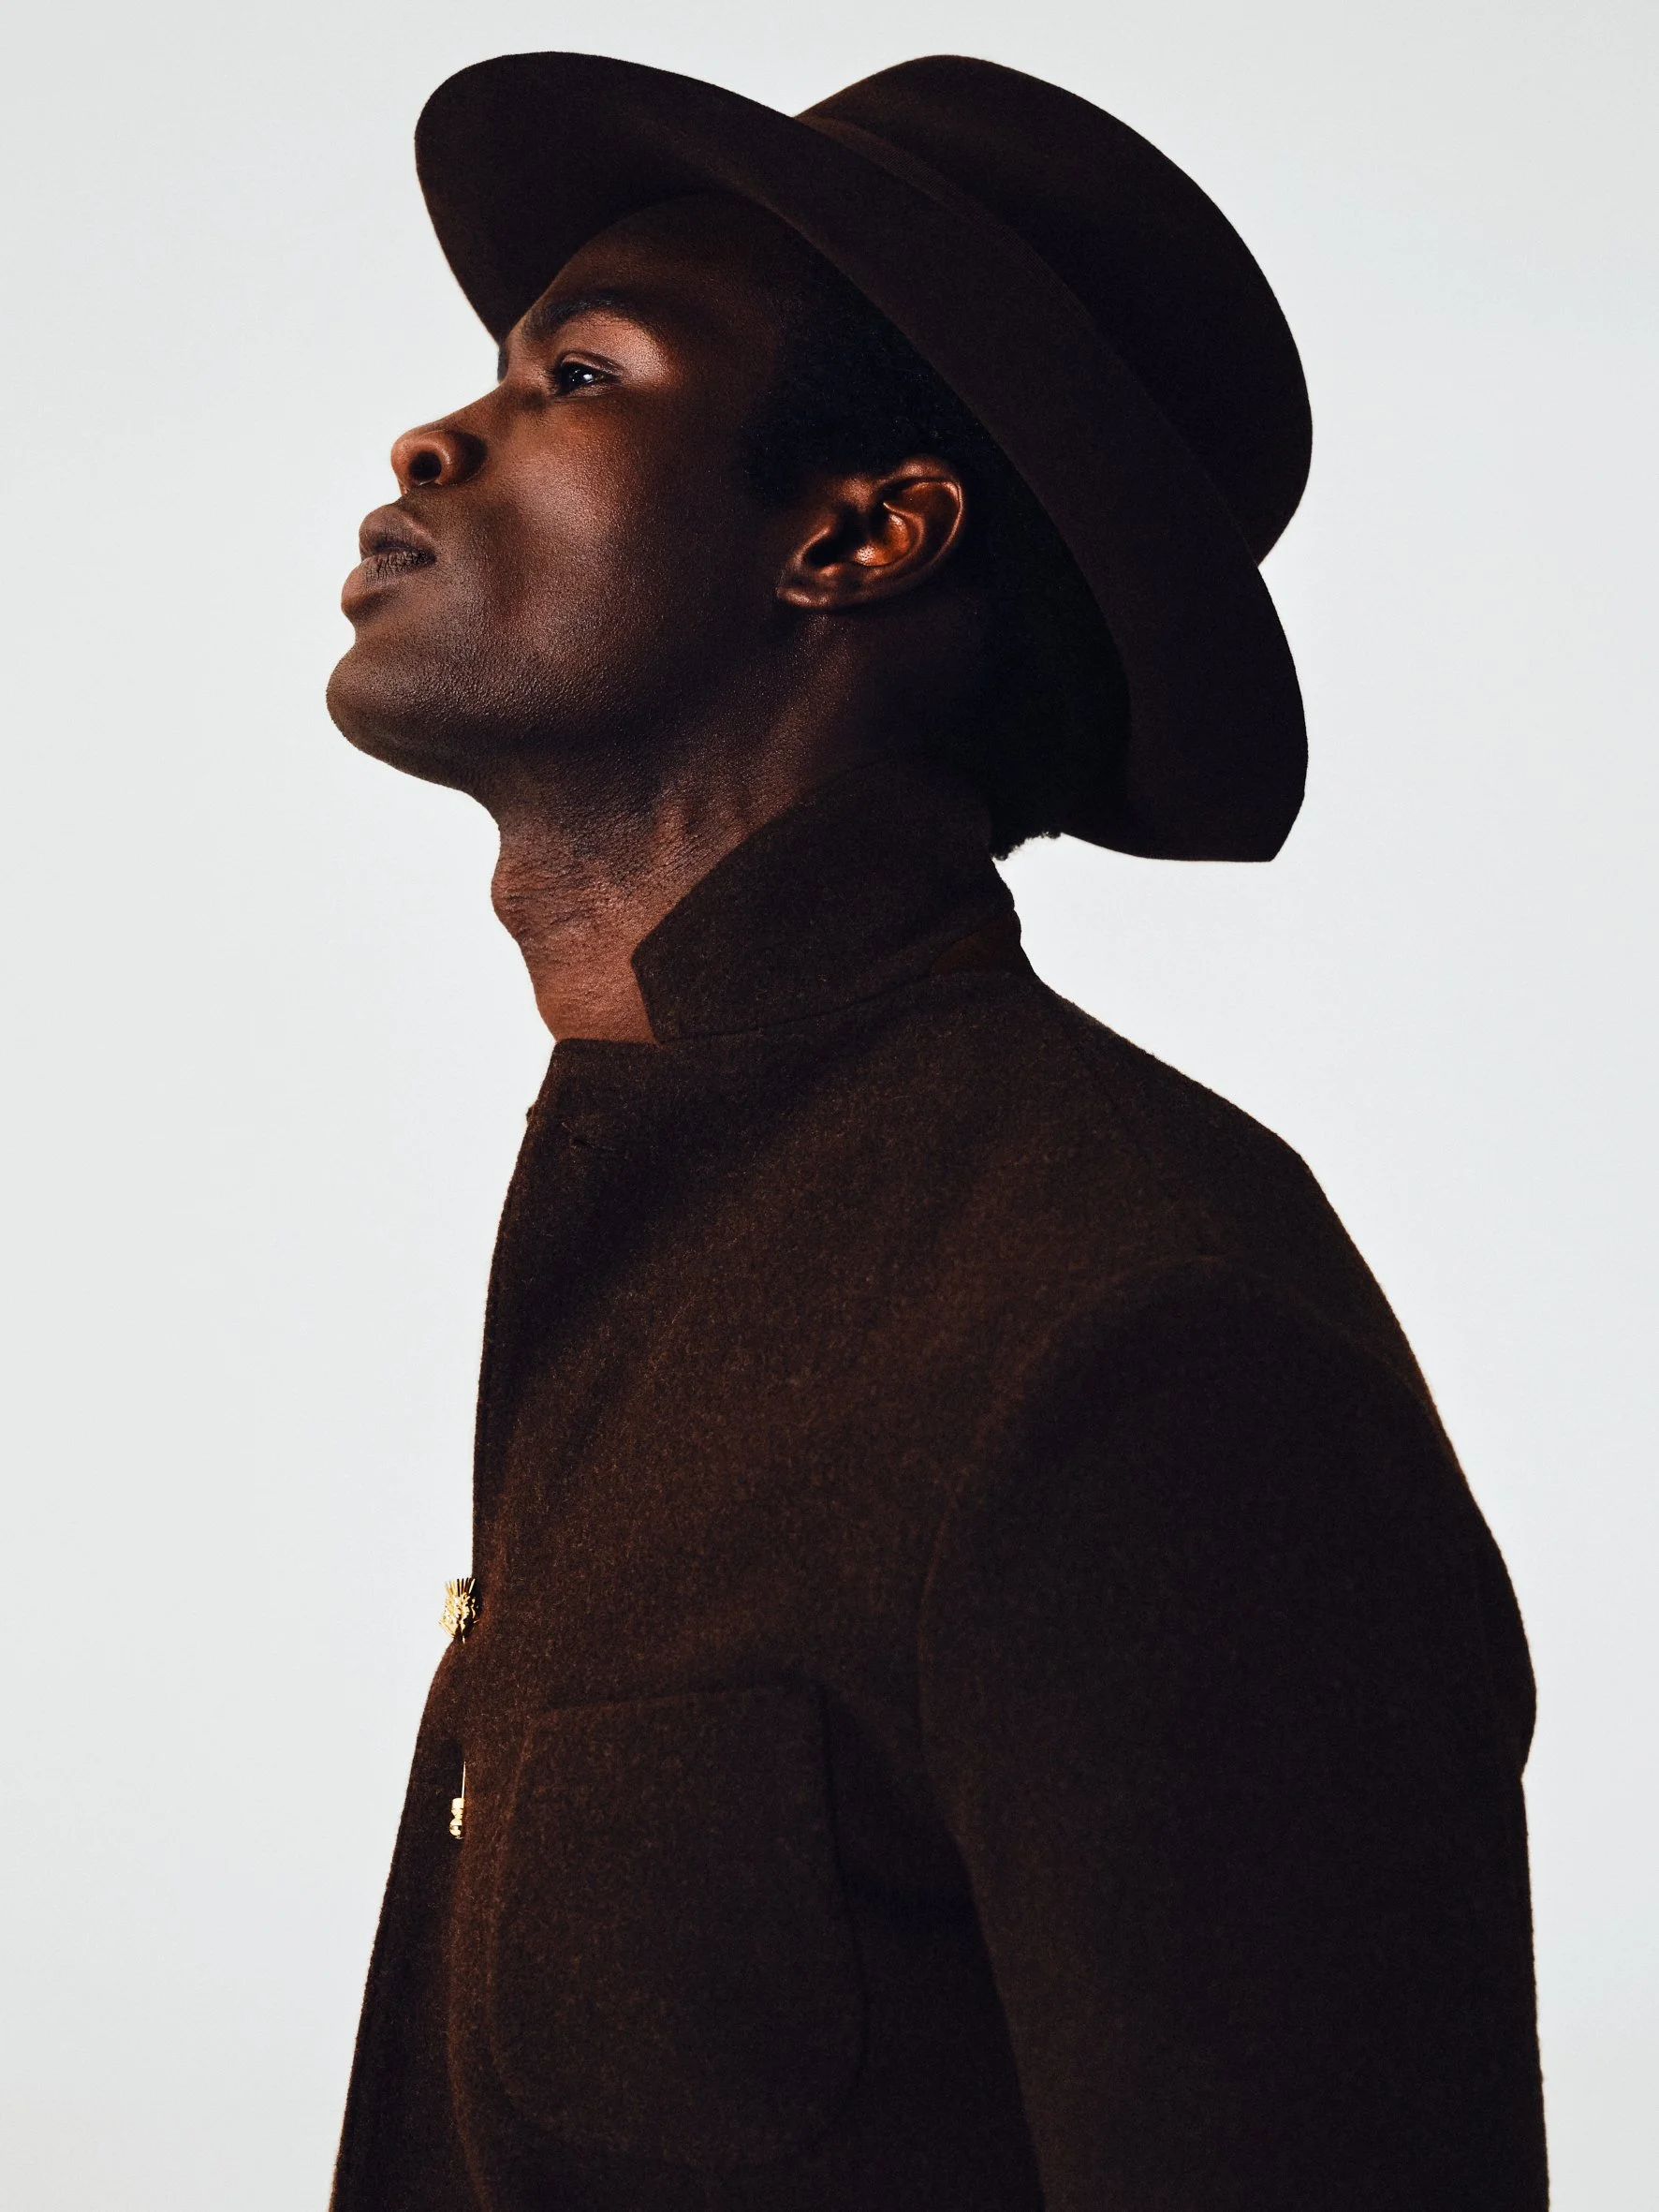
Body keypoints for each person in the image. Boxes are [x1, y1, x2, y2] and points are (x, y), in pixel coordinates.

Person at [325, 52, 1548, 2212]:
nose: (436, 435)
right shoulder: (677, 1230)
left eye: (577, 376)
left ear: (857, 532)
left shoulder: (1135, 1330)